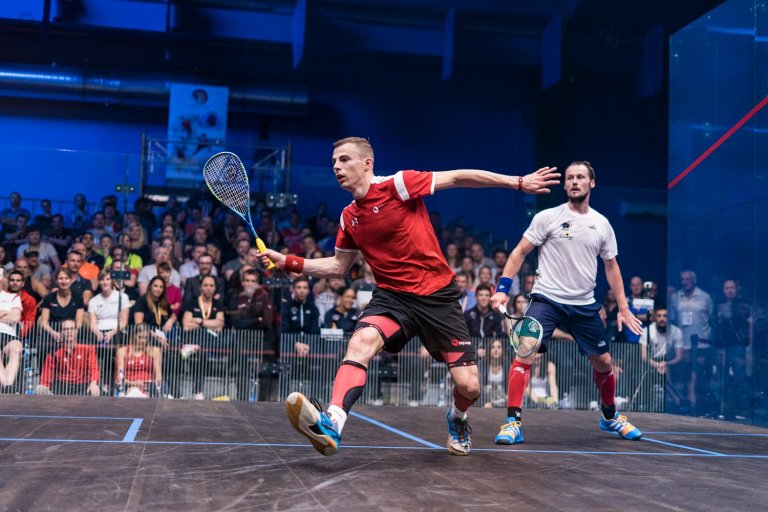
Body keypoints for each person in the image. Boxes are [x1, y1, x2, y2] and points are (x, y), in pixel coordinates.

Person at [258, 136, 558, 456]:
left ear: (367, 163)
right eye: (333, 161)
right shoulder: (349, 217)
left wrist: (518, 182)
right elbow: (338, 266)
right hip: (392, 299)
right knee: (360, 343)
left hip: (437, 298)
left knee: (470, 386)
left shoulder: (398, 185)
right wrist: (288, 261)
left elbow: (458, 177)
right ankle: (333, 422)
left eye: (344, 159)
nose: (336, 166)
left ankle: (457, 417)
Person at [491, 160, 643, 445]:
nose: (575, 181)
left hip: (584, 305)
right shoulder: (547, 217)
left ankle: (610, 416)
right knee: (525, 350)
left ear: (591, 183)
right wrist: (503, 289)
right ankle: (512, 422)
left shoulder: (601, 224)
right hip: (546, 299)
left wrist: (623, 307)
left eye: (580, 177)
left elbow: (611, 267)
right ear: (565, 185)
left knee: (604, 362)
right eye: (570, 177)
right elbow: (520, 252)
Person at [181, 274, 226, 399]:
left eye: (211, 285)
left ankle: (195, 347)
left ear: (215, 288)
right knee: (200, 355)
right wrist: (211, 324)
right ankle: (198, 391)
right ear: (200, 287)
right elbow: (186, 325)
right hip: (195, 337)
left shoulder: (218, 304)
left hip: (211, 341)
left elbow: (220, 324)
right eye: (205, 285)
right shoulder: (192, 303)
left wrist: (200, 322)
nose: (208, 288)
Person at [37, 319, 100, 396]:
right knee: (40, 389)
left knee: (96, 391)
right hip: (61, 387)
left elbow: (94, 369)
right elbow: (45, 377)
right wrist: (43, 388)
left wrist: (93, 383)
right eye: (65, 329)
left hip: (83, 387)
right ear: (61, 332)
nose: (69, 331)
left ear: (77, 331)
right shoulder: (53, 352)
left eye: (72, 329)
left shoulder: (88, 349)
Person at [114, 323, 163, 397]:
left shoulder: (155, 351)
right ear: (134, 336)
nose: (143, 341)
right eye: (140, 337)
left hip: (149, 387)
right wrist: (133, 383)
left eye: (146, 338)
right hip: (128, 386)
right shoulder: (122, 351)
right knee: (133, 391)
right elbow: (120, 376)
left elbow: (158, 375)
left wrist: (153, 387)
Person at [0, 279, 23, 389]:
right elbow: (11, 316)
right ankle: (6, 386)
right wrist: (4, 313)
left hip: (9, 336)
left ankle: (7, 387)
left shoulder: (13, 297)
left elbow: (15, 318)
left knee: (16, 348)